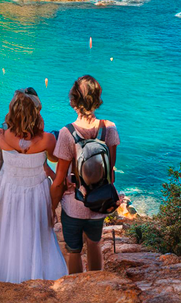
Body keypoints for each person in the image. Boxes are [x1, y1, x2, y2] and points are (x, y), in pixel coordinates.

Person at [0, 88, 68, 282]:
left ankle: (7, 273)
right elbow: (52, 158)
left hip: (9, 191)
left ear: (13, 112)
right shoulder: (48, 140)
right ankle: (35, 274)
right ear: (36, 113)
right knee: (36, 234)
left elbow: (7, 152)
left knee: (10, 232)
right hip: (36, 193)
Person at [50, 75, 120, 274]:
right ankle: (96, 287)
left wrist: (51, 206)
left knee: (74, 251)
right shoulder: (109, 128)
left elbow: (59, 178)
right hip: (100, 202)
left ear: (73, 101)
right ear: (97, 99)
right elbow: (111, 170)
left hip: (74, 205)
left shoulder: (66, 133)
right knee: (95, 244)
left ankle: (76, 291)